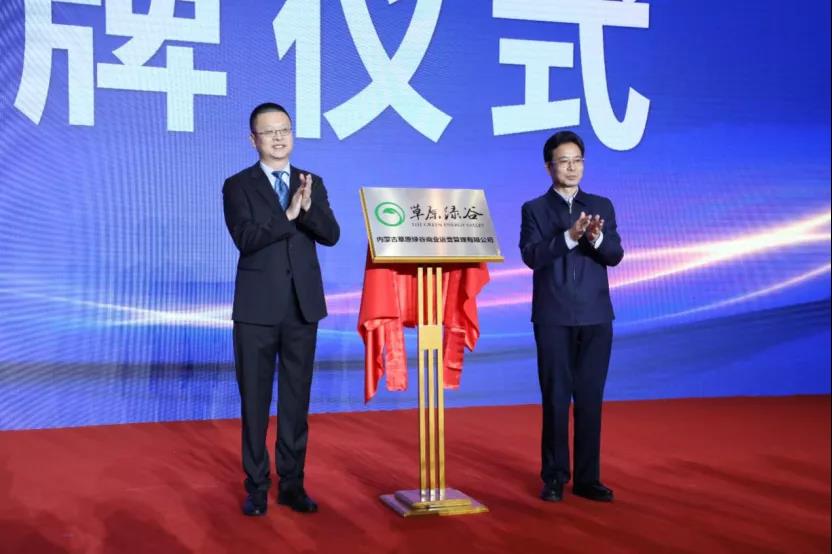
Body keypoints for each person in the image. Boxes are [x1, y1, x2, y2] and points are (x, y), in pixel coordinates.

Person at [222, 102, 340, 516]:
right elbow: (246, 238)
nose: (278, 137)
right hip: (256, 310)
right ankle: (256, 487)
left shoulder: (311, 182)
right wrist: (287, 215)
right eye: (269, 131)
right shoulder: (238, 185)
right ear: (252, 139)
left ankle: (292, 484)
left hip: (301, 308)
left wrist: (306, 210)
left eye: (284, 130)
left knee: (295, 401)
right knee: (255, 402)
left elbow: (331, 234)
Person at [519, 130, 624, 503]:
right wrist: (568, 236)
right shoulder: (534, 209)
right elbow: (532, 256)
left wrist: (594, 238)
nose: (572, 167)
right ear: (549, 166)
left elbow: (614, 255)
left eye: (577, 160)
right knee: (556, 399)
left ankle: (587, 478)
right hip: (553, 317)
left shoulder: (601, 205)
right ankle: (554, 477)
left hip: (596, 316)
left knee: (590, 399)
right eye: (564, 161)